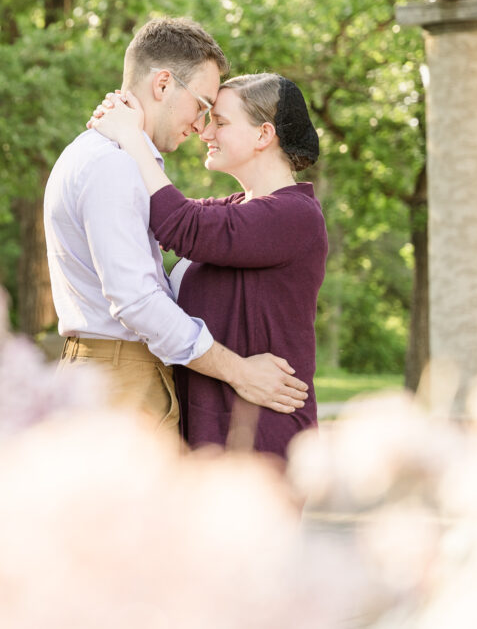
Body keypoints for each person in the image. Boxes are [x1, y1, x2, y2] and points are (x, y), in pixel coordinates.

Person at [43, 17, 308, 436]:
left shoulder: (110, 157)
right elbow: (137, 302)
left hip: (117, 373)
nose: (202, 127)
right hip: (120, 381)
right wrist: (238, 371)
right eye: (203, 106)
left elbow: (189, 220)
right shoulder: (113, 163)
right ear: (163, 84)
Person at [88, 73, 327, 460]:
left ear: (264, 135)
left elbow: (182, 226)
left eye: (221, 122)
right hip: (218, 438)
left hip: (260, 441)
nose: (205, 132)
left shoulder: (294, 216)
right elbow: (164, 214)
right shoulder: (238, 208)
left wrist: (132, 138)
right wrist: (126, 117)